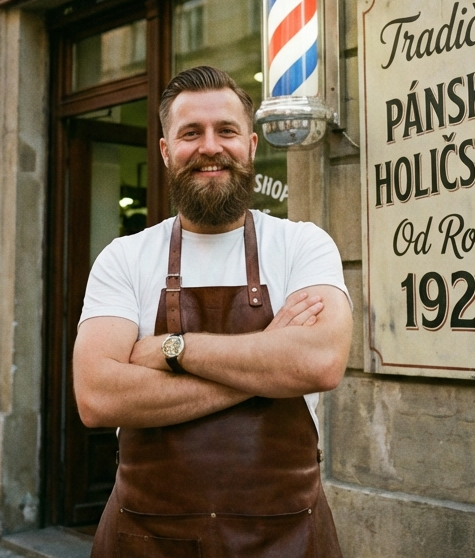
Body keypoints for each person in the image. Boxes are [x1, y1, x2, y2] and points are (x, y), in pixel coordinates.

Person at [73, 65, 353, 557]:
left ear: (250, 144)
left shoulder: (303, 244)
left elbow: (320, 362)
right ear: (165, 151)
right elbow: (97, 396)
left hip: (285, 538)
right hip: (146, 540)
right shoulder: (124, 257)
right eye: (190, 133)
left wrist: (170, 349)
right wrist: (267, 362)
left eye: (226, 131)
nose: (209, 147)